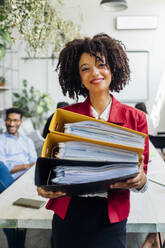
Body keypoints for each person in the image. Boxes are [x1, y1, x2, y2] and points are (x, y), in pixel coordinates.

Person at [37, 33, 149, 248]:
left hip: (110, 216)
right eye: (85, 68)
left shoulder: (136, 118)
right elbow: (50, 167)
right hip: (69, 212)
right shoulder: (64, 116)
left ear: (113, 69)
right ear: (78, 77)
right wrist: (44, 186)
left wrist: (140, 180)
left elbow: (142, 179)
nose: (94, 73)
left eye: (101, 65)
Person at [0, 107, 37, 248]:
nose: (11, 123)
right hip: (7, 179)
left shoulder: (27, 140)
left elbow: (35, 163)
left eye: (15, 120)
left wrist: (27, 167)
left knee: (14, 216)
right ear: (5, 121)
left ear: (21, 122)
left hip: (25, 179)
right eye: (9, 120)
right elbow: (5, 168)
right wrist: (27, 165)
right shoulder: (1, 140)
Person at [135, 103, 165, 248]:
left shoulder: (136, 119)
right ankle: (155, 240)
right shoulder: (149, 120)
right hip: (154, 155)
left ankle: (152, 240)